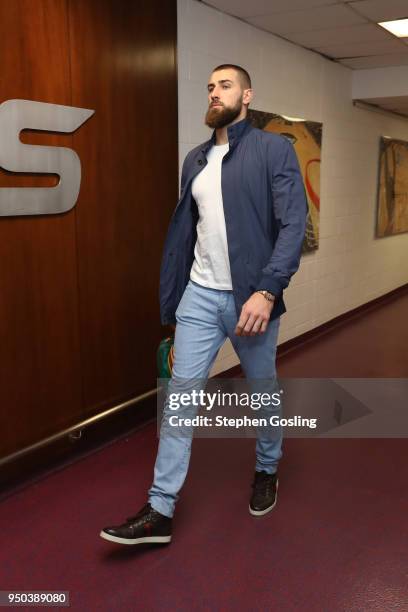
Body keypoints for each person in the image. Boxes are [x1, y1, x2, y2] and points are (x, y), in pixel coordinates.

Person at [100, 64, 307, 546]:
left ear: (248, 95)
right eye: (211, 87)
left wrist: (268, 288)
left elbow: (294, 224)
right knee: (180, 400)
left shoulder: (273, 149)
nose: (215, 93)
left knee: (262, 391)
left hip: (251, 299)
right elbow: (188, 236)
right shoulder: (194, 159)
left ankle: (267, 468)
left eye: (226, 85)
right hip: (199, 295)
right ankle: (160, 508)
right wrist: (174, 308)